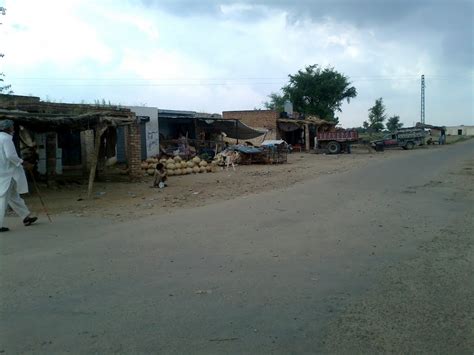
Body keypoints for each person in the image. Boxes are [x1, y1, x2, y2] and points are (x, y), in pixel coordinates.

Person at [0, 120, 37, 232]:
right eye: (12, 127)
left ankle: (26, 217)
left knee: (13, 196)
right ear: (7, 128)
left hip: (3, 172)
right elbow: (10, 155)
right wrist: (23, 163)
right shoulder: (6, 139)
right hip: (8, 174)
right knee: (3, 199)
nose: (13, 129)